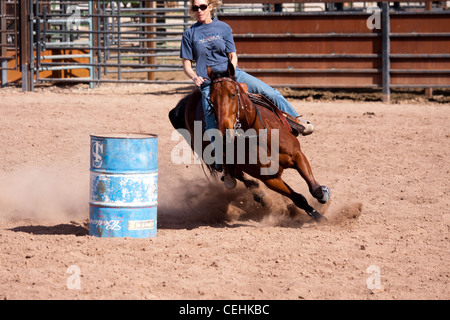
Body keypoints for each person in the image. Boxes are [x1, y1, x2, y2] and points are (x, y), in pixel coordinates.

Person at [180, 0, 314, 170]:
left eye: (203, 6)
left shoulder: (224, 28)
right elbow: (186, 65)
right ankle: (219, 158)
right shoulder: (189, 34)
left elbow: (232, 55)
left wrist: (232, 71)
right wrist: (194, 77)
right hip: (209, 82)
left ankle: (297, 120)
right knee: (211, 118)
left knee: (271, 93)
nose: (199, 10)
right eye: (195, 8)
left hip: (232, 74)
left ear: (211, 6)